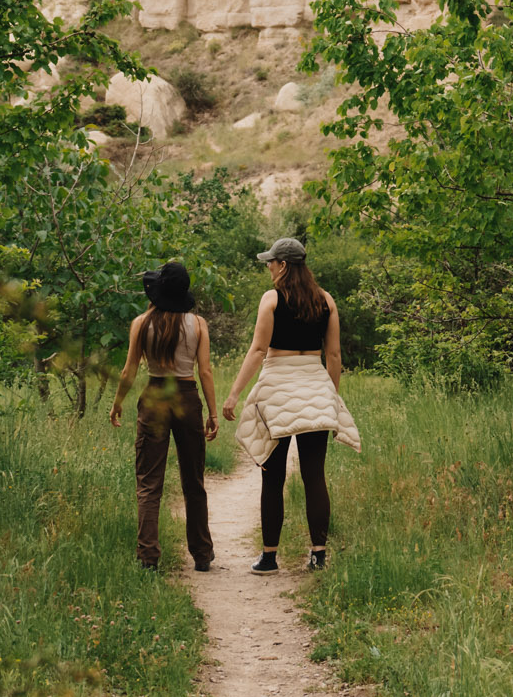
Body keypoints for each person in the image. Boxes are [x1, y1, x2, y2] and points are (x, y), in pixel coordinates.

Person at [223, 237, 361, 573]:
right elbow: (333, 355)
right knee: (315, 476)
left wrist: (234, 395)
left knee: (272, 476)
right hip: (315, 385)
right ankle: (318, 556)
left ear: (283, 265)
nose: (268, 267)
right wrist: (333, 398)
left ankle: (269, 557)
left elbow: (258, 351)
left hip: (278, 389)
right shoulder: (325, 300)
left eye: (270, 262)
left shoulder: (272, 299)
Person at [111, 261, 218, 572]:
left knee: (149, 483)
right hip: (186, 398)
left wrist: (117, 403)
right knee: (193, 480)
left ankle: (148, 558)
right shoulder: (198, 324)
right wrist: (212, 412)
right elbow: (206, 371)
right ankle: (201, 554)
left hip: (155, 395)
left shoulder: (141, 323)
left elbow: (129, 370)